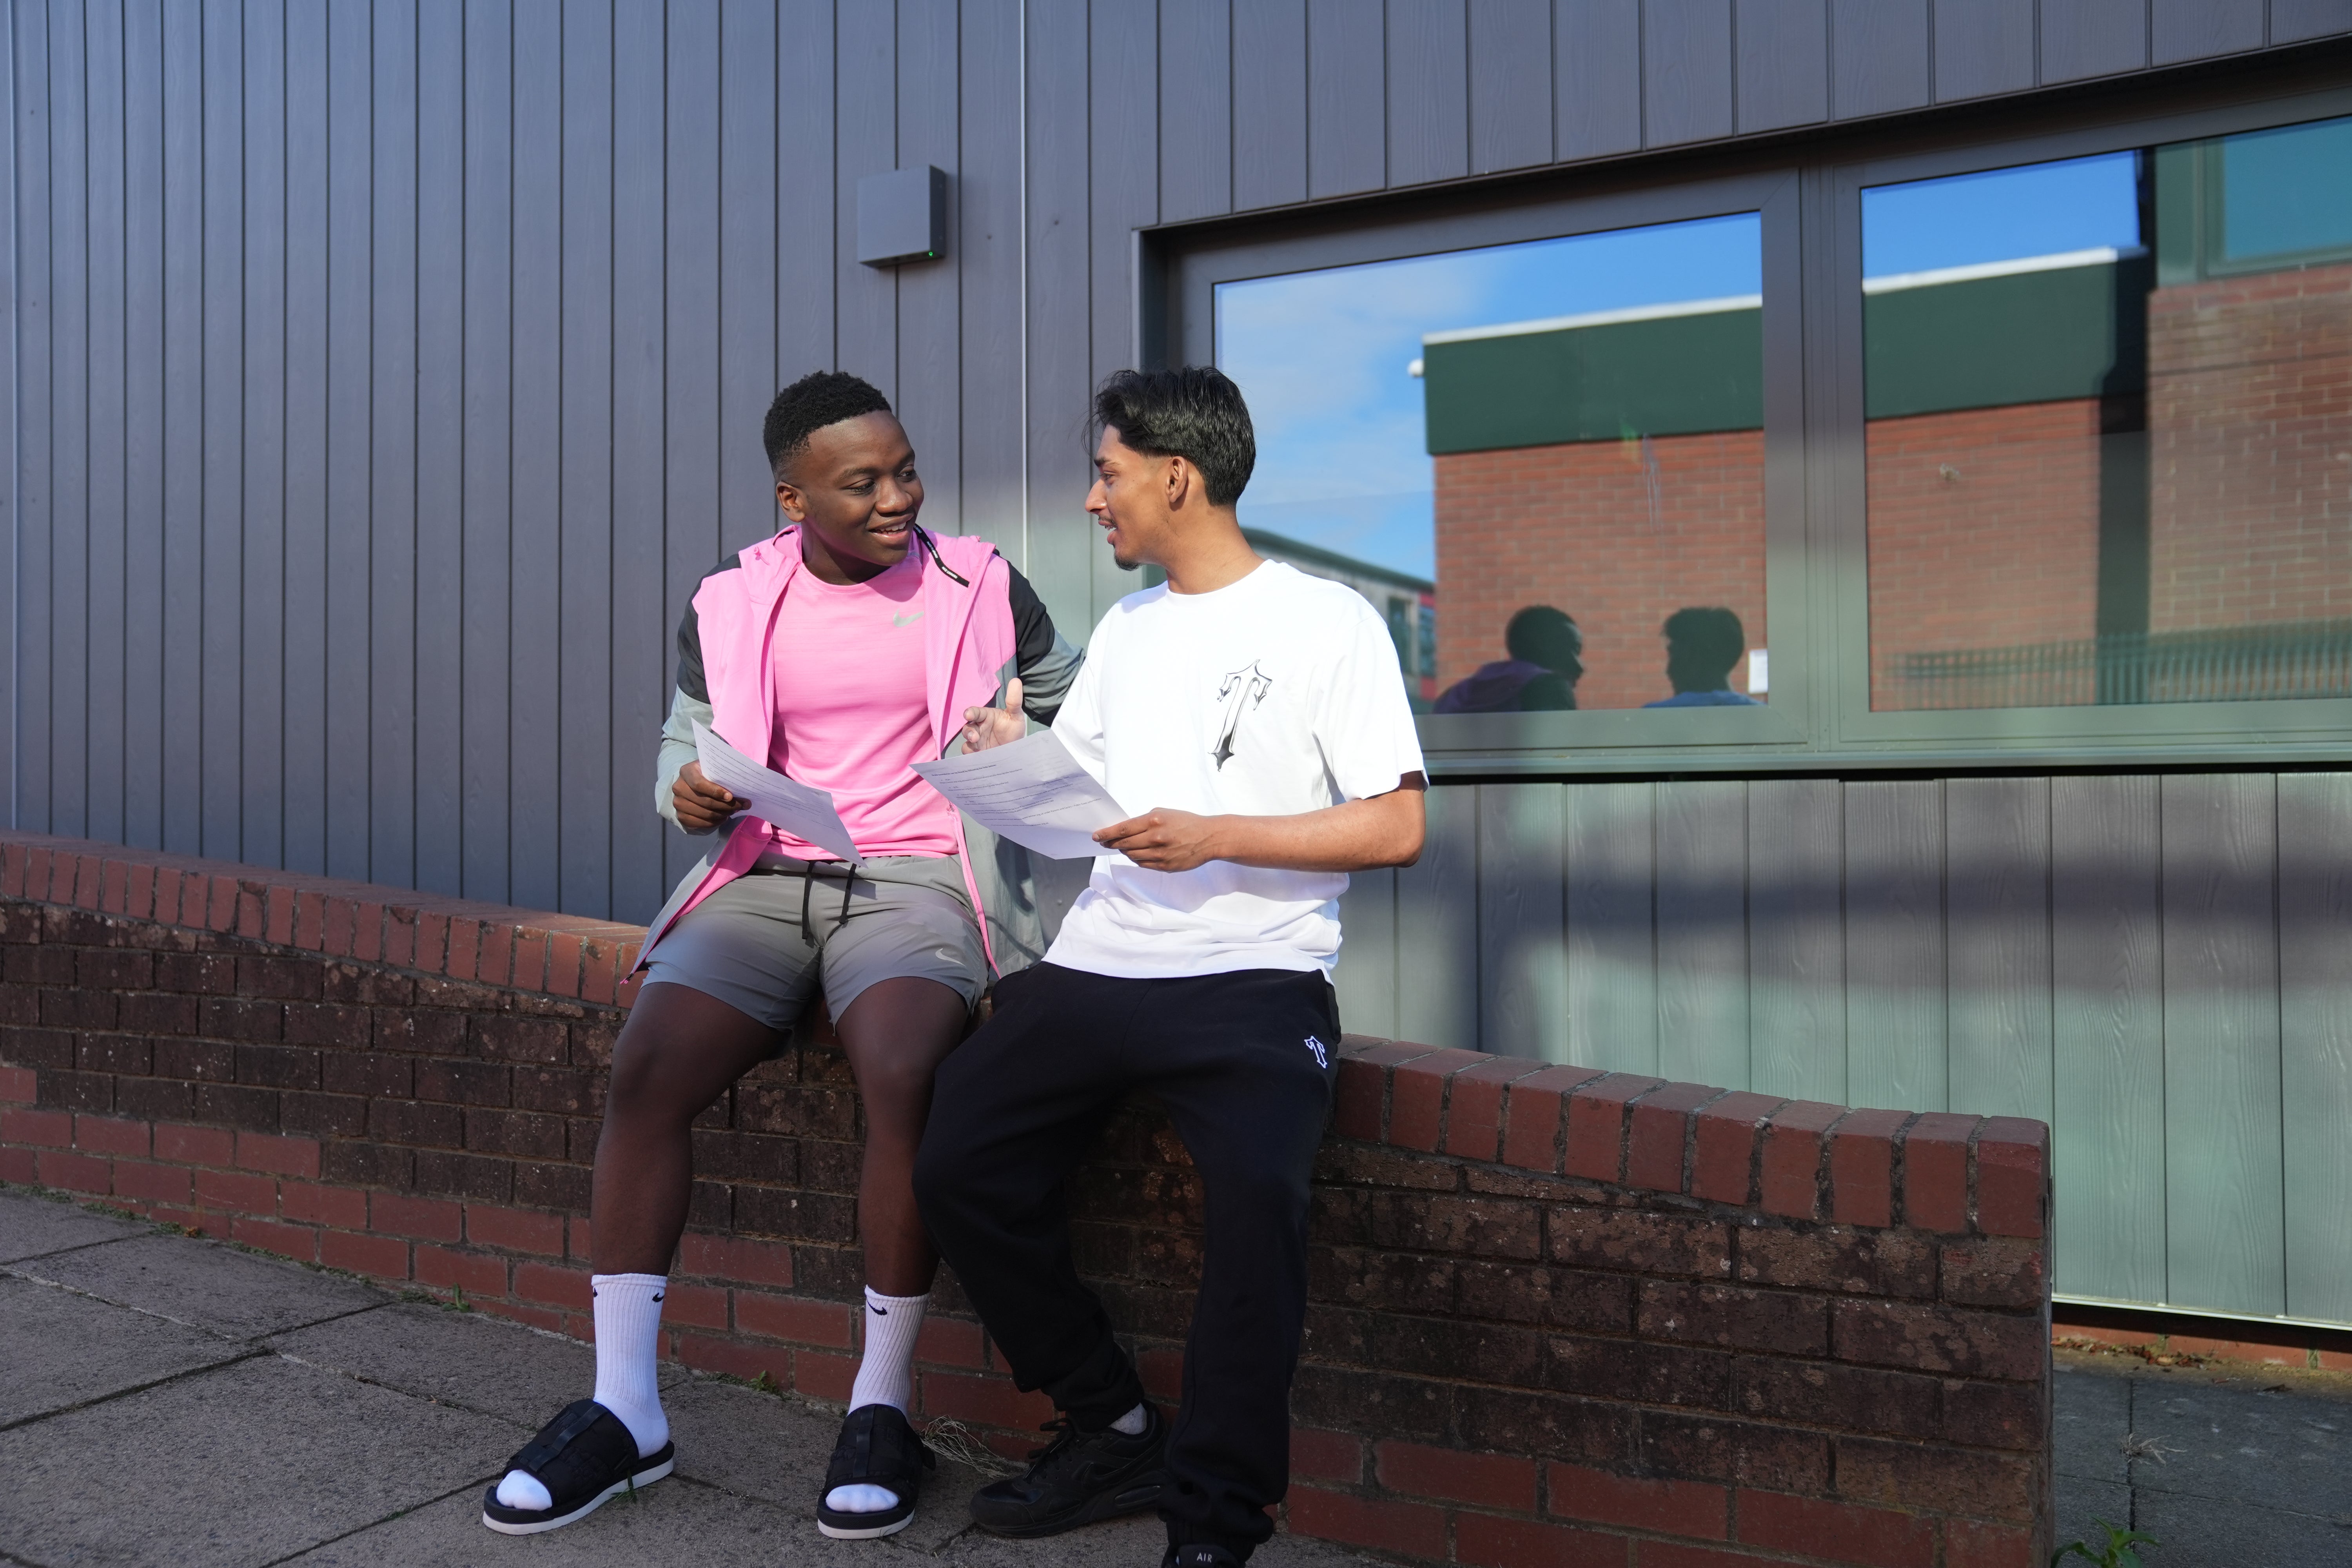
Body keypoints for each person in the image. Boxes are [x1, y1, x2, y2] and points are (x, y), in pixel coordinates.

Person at [480, 371, 1080, 1541]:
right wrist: (687, 789)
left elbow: (1078, 704)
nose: (897, 497)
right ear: (792, 498)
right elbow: (685, 738)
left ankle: (880, 1402)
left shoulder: (981, 582)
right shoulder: (730, 596)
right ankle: (625, 1407)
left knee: (903, 1068)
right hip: (764, 873)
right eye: (862, 482)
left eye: (905, 470)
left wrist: (1023, 741)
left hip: (919, 877)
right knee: (647, 1067)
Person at [913, 367, 1428, 1568]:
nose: (1095, 499)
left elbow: (1397, 823)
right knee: (957, 1160)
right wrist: (1014, 752)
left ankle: (1212, 1525)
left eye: (1108, 474)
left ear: (1176, 476)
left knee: (1258, 1203)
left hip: (1255, 976)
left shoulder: (1329, 622)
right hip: (1103, 960)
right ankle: (1111, 1425)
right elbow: (1087, 807)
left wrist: (1218, 835)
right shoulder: (1129, 631)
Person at [1432, 604, 1583, 712]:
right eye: (1573, 649)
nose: (1580, 667)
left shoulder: (1453, 696)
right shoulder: (1551, 687)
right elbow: (1561, 746)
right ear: (1545, 645)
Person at [1642, 605, 1762, 706]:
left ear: (1690, 657)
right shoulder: (1763, 714)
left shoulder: (1653, 715)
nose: (1669, 671)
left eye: (1675, 656)